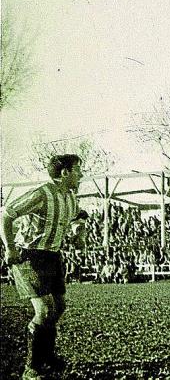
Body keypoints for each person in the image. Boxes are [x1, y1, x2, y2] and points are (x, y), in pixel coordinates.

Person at [1, 154, 84, 380]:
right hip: (29, 256)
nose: (81, 174)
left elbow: (79, 215)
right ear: (65, 172)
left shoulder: (70, 197)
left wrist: (79, 232)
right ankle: (31, 368)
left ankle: (46, 355)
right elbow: (6, 215)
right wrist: (10, 248)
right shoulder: (42, 194)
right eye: (77, 169)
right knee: (45, 310)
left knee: (59, 307)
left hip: (52, 256)